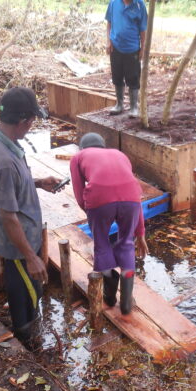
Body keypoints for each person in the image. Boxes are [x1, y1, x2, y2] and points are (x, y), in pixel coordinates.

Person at [0, 87, 61, 350]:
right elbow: (8, 216)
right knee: (25, 291)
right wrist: (31, 256)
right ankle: (26, 338)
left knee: (26, 288)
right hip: (17, 243)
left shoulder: (2, 142)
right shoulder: (4, 162)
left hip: (23, 236)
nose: (32, 125)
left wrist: (37, 183)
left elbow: (9, 191)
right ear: (24, 121)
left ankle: (27, 326)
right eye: (32, 120)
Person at [69, 132, 148, 315]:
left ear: (83, 147)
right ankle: (127, 300)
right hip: (131, 200)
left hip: (99, 199)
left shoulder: (78, 157)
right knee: (126, 242)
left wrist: (91, 212)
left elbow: (79, 192)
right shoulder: (120, 154)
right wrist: (140, 233)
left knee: (102, 243)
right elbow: (134, 195)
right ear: (103, 146)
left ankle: (109, 290)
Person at [105, 0, 148, 118]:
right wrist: (108, 41)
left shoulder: (139, 4)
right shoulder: (114, 1)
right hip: (115, 46)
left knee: (133, 78)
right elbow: (109, 22)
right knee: (117, 76)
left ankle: (134, 107)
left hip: (132, 48)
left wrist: (143, 48)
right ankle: (119, 104)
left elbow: (143, 30)